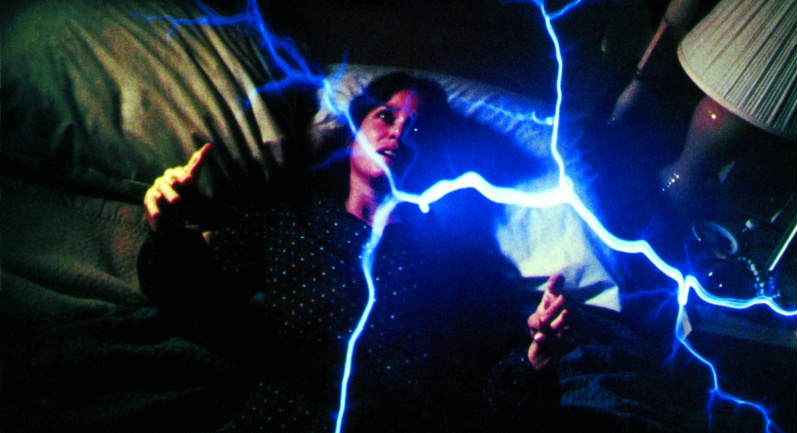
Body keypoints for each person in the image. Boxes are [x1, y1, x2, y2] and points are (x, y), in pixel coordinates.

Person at [139, 72, 573, 432]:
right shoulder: (286, 219)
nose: (399, 132)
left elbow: (483, 388)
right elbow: (200, 305)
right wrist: (169, 232)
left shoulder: (455, 260)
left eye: (418, 129)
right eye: (385, 116)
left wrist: (535, 357)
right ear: (353, 135)